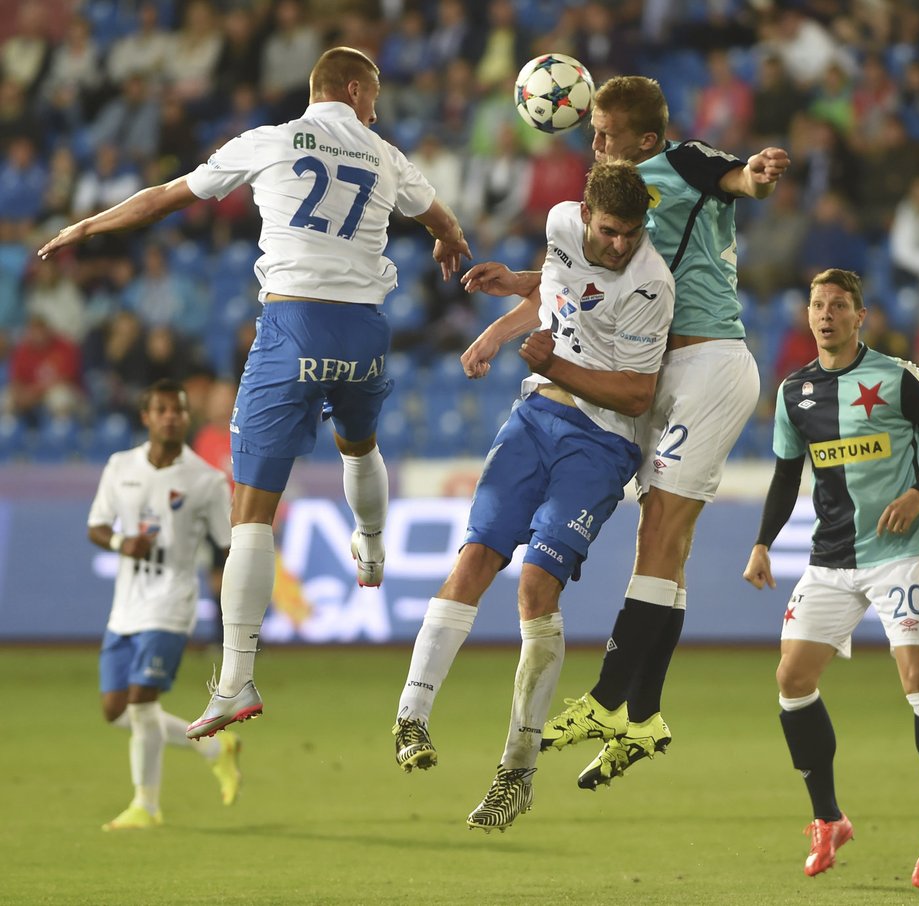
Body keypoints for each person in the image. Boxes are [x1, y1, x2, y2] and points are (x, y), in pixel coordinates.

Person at [40, 47, 472, 740]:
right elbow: (443, 219)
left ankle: (235, 680)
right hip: (364, 331)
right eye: (375, 96)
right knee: (359, 444)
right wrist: (449, 241)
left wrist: (90, 225)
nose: (378, 108)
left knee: (250, 511)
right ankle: (371, 545)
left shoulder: (267, 142)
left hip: (293, 325)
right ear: (355, 90)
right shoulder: (386, 155)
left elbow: (167, 198)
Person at [460, 75, 790, 789]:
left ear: (645, 139)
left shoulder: (683, 162)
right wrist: (517, 287)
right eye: (592, 129)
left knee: (665, 530)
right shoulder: (616, 212)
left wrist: (756, 175)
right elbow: (571, 281)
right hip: (668, 374)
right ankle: (643, 717)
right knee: (660, 545)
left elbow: (736, 180)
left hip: (708, 360)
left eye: (605, 130)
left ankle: (609, 699)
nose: (593, 139)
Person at [392, 160, 675, 832]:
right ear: (584, 214)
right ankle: (410, 717)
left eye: (630, 234)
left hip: (603, 442)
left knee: (536, 587)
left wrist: (555, 365)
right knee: (473, 559)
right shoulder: (558, 226)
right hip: (535, 416)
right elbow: (558, 290)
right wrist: (497, 331)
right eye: (609, 231)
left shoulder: (652, 284)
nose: (618, 245)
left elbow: (637, 394)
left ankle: (515, 771)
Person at [741, 269, 919, 889]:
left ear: (859, 316)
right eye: (817, 305)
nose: (825, 315)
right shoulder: (795, 392)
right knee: (792, 678)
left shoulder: (897, 378)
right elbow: (789, 475)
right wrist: (762, 542)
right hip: (831, 558)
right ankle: (827, 818)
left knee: (918, 677)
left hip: (897, 554)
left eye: (838, 305)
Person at [87, 379, 237, 831]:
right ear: (146, 417)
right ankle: (213, 747)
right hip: (126, 606)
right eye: (162, 409)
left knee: (143, 700)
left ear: (186, 418)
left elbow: (228, 542)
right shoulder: (120, 467)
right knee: (117, 710)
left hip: (172, 603)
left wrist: (228, 582)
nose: (171, 416)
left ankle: (146, 805)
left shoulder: (206, 481)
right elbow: (95, 526)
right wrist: (119, 541)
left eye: (179, 410)